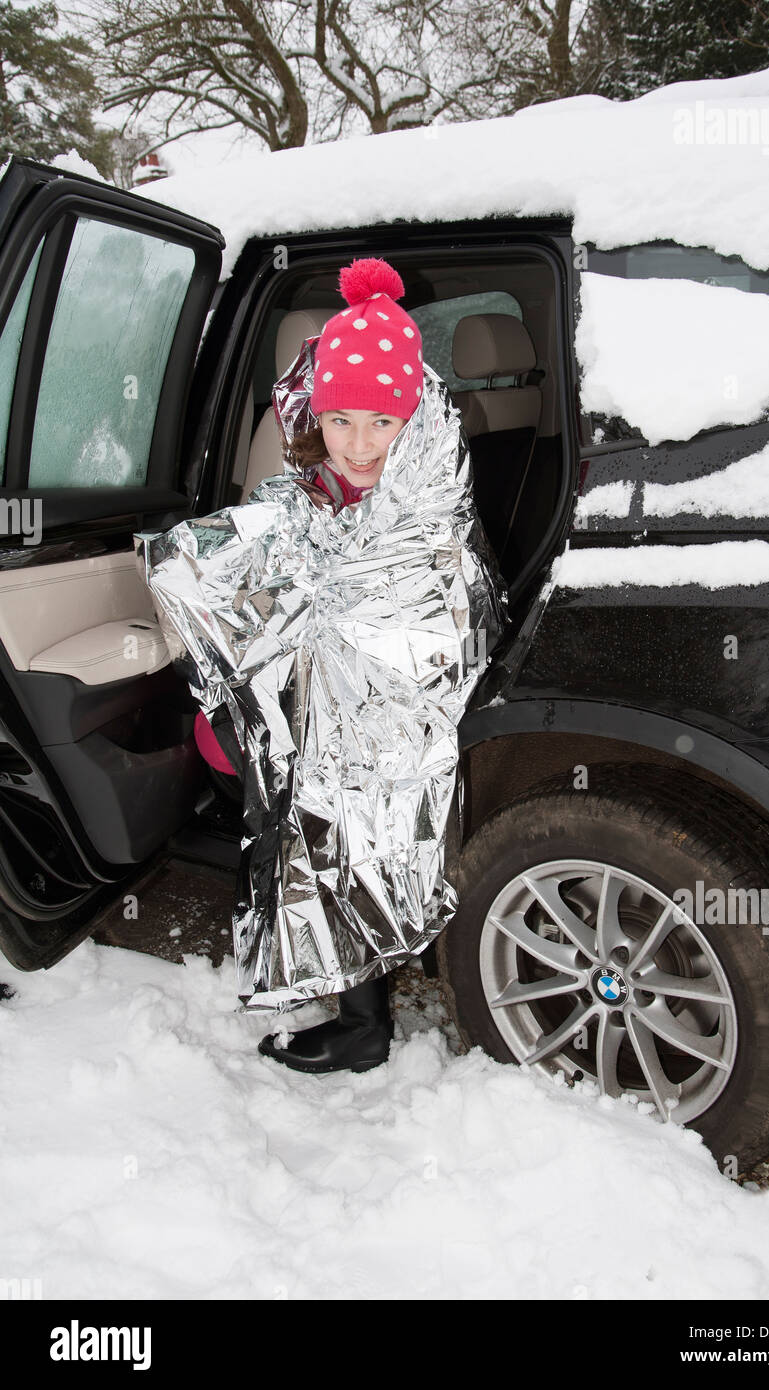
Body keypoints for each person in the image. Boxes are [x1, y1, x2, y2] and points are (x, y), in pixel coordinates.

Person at [196, 256, 425, 1076]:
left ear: (414, 420)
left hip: (376, 724)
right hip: (296, 704)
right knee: (270, 796)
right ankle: (306, 958)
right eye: (341, 422)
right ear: (315, 419)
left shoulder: (427, 504)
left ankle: (364, 1019)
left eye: (381, 424)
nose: (360, 446)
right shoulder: (306, 490)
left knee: (348, 838)